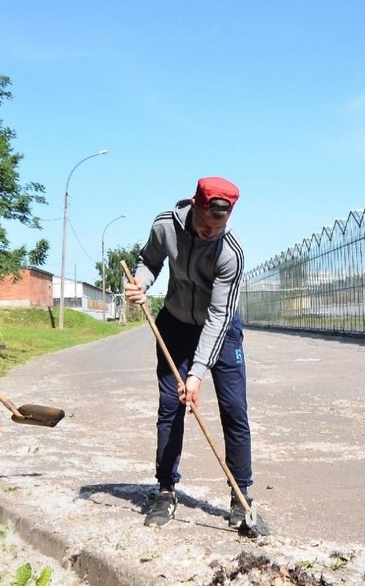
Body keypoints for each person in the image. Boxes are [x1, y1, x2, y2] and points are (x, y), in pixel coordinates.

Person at [125, 176, 253, 528]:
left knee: (234, 408)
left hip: (221, 330)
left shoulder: (231, 252)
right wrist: (141, 283)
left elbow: (218, 317)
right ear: (194, 205)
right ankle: (166, 490)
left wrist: (196, 374)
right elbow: (149, 261)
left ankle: (240, 494)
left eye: (220, 225)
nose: (211, 231)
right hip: (176, 323)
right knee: (170, 407)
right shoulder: (166, 225)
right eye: (205, 223)